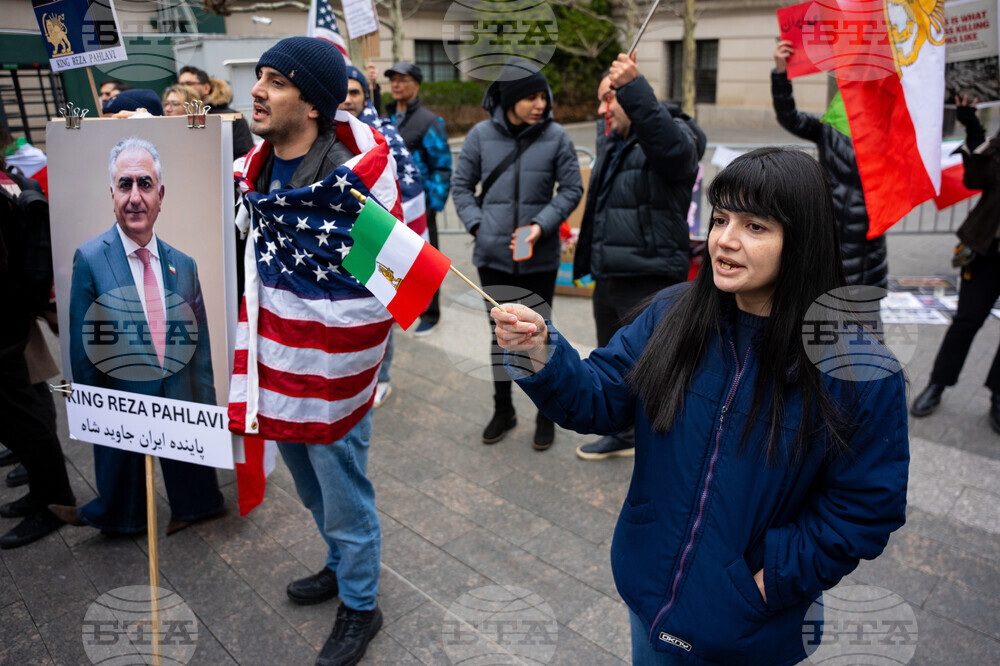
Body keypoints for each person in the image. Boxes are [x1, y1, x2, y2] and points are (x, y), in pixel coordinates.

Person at [491, 147, 909, 665]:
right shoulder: (673, 313)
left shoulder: (859, 369)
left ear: (802, 241)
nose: (725, 241)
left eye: (756, 226)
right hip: (650, 596)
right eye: (720, 219)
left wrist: (763, 584)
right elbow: (599, 399)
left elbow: (864, 508)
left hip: (752, 628)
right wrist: (541, 353)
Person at [236, 37, 390, 666]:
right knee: (311, 489)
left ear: (315, 104)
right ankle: (338, 563)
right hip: (280, 359)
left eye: (276, 80)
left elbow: (384, 286)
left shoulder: (353, 186)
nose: (257, 89)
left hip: (329, 373)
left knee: (345, 493)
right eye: (259, 76)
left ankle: (361, 604)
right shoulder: (254, 167)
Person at [49, 137, 223, 537]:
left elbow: (200, 351)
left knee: (192, 474)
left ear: (160, 195)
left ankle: (196, 507)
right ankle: (119, 516)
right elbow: (84, 347)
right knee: (122, 470)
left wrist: (207, 411)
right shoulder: (91, 259)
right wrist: (92, 410)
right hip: (123, 396)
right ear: (111, 195)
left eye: (144, 184)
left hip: (177, 392)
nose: (134, 197)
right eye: (124, 185)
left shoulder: (185, 264)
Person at [572, 53, 705, 462]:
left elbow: (675, 153)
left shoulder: (679, 132)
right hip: (609, 272)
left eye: (607, 100)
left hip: (649, 276)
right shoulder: (615, 142)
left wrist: (633, 88)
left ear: (631, 97)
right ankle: (623, 430)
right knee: (613, 362)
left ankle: (660, 439)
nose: (600, 111)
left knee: (653, 366)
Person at [452, 57, 583, 449]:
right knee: (501, 335)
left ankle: (548, 415)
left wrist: (541, 225)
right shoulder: (478, 136)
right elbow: (461, 187)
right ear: (509, 99)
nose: (540, 104)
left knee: (542, 334)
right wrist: (480, 227)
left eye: (543, 96)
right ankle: (503, 409)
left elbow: (572, 189)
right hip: (492, 257)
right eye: (530, 97)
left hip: (539, 257)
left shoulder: (557, 137)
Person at [0, 130, 76, 548]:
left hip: (8, 328)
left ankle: (52, 500)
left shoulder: (8, 187)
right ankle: (42, 492)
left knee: (26, 417)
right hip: (14, 324)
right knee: (25, 414)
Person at [339, 66, 427, 408]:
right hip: (337, 242)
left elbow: (407, 184)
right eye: (341, 92)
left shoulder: (385, 133)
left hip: (377, 239)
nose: (347, 99)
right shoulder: (322, 136)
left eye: (355, 92)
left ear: (367, 96)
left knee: (380, 311)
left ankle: (382, 377)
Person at [911, 95, 1000, 432]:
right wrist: (973, 126)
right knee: (965, 321)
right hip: (985, 250)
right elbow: (975, 179)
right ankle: (938, 383)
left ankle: (998, 398)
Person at [772, 40, 887, 289]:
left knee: (861, 323)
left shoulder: (891, 135)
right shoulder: (830, 129)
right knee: (818, 322)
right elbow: (789, 117)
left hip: (866, 252)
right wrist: (781, 73)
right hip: (827, 242)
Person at [383, 61, 452, 335]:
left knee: (426, 261)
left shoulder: (429, 121)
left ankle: (431, 314)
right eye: (394, 80)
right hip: (393, 204)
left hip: (421, 206)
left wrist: (433, 206)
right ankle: (403, 307)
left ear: (416, 84)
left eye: (403, 79)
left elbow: (443, 166)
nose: (397, 84)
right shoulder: (386, 117)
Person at [178, 65, 255, 160]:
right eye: (180, 85)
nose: (183, 89)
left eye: (188, 83)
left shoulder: (231, 118)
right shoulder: (175, 115)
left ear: (206, 88)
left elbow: (243, 158)